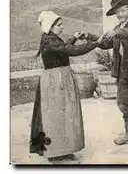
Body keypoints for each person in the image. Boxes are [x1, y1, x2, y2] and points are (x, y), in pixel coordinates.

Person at [30, 11, 102, 162]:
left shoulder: (52, 39)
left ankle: (65, 150)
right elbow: (70, 51)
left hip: (61, 79)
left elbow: (63, 47)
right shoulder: (49, 41)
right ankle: (56, 154)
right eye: (59, 25)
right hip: (55, 82)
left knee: (66, 115)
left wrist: (74, 38)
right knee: (56, 116)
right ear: (50, 27)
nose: (62, 28)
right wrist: (95, 43)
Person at [89, 0, 128, 153]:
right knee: (123, 103)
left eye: (123, 11)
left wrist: (117, 32)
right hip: (123, 72)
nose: (121, 14)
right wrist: (90, 37)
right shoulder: (117, 29)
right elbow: (105, 43)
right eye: (118, 12)